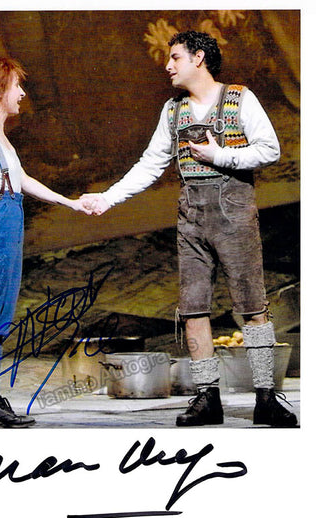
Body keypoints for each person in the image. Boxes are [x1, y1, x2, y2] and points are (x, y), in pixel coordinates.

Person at [80, 30, 297, 427]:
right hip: (192, 218)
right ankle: (207, 397)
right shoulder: (173, 111)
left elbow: (270, 149)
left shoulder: (239, 99)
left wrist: (219, 154)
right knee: (194, 307)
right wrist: (108, 198)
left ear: (199, 58)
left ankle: (267, 397)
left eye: (175, 57)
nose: (168, 66)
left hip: (234, 214)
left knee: (251, 305)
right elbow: (150, 164)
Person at [0, 57, 91, 428]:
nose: (22, 94)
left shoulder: (0, 136)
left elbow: (23, 180)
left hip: (8, 228)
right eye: (16, 86)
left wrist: (70, 202)